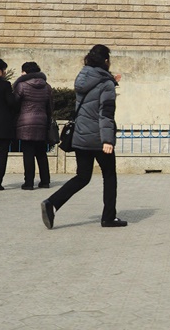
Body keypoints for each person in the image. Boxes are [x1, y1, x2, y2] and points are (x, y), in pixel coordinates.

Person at [41, 45, 126, 229]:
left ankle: (52, 202)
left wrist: (111, 79)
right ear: (105, 61)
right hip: (98, 137)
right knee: (109, 175)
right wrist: (107, 140)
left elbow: (90, 102)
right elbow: (105, 113)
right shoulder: (106, 83)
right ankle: (108, 217)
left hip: (81, 134)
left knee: (82, 177)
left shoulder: (83, 77)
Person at [13, 62, 53, 190]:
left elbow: (15, 104)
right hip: (42, 121)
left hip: (25, 122)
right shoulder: (47, 87)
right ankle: (45, 181)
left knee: (28, 153)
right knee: (41, 153)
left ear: (25, 72)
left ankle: (29, 182)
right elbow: (50, 107)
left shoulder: (21, 85)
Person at [0, 59, 16, 191]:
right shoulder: (5, 85)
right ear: (0, 71)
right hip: (2, 126)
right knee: (2, 155)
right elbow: (12, 103)